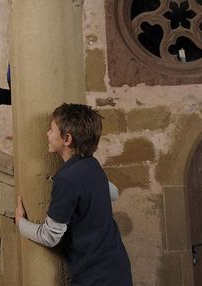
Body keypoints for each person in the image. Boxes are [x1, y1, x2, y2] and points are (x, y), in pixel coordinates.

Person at [15, 103, 132, 286]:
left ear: (67, 139)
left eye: (51, 129)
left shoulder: (67, 179)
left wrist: (21, 223)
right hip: (117, 268)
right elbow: (114, 193)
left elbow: (50, 236)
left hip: (95, 277)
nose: (47, 134)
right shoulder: (92, 165)